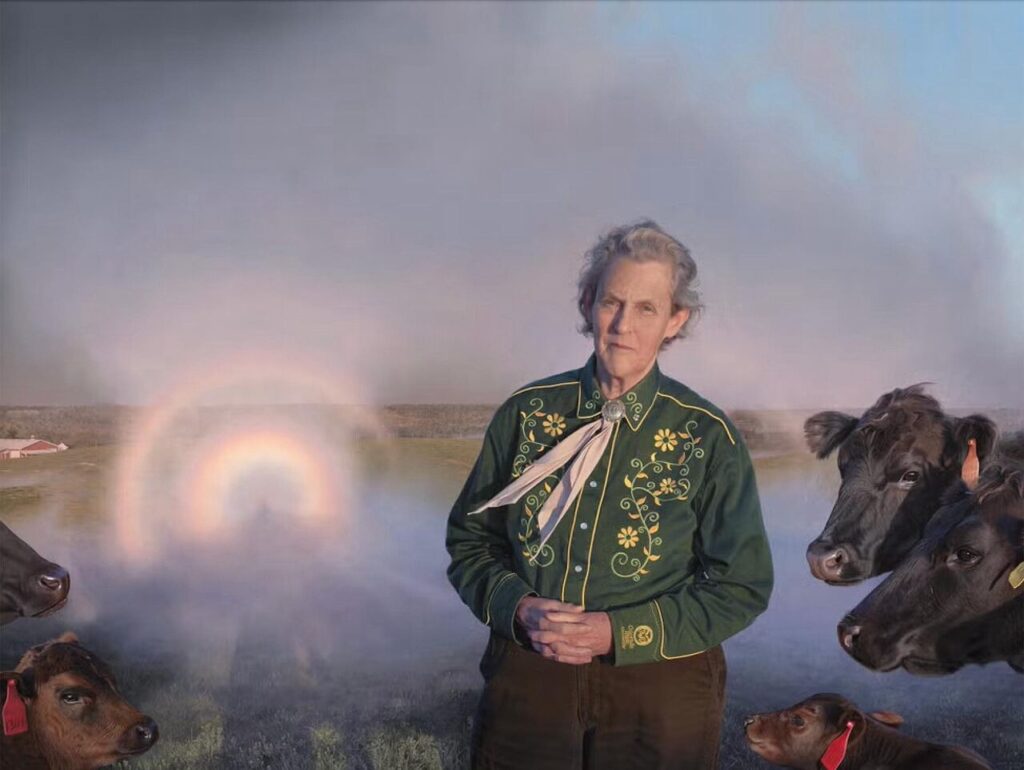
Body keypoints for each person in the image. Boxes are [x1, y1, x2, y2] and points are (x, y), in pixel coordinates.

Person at [446, 220, 774, 770]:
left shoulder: (706, 435)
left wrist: (616, 632)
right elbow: (470, 541)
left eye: (647, 308)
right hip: (530, 674)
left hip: (660, 690)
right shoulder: (527, 413)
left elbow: (742, 585)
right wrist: (519, 608)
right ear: (586, 305)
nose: (623, 325)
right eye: (611, 302)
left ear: (676, 320)